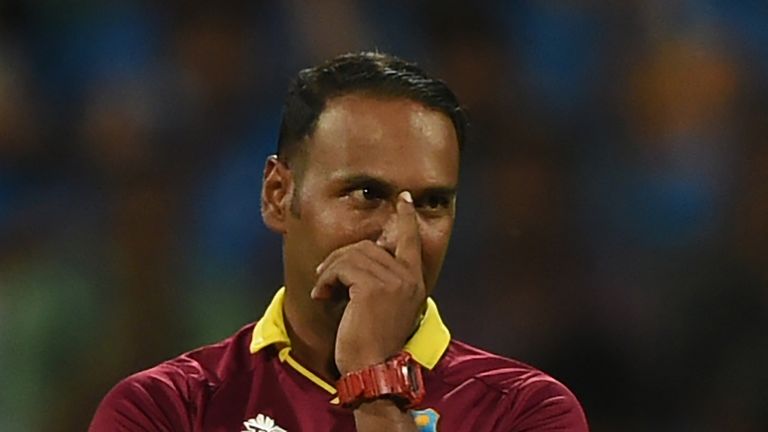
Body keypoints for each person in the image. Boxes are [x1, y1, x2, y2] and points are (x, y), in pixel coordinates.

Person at [90, 51, 589, 432]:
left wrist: (374, 380)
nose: (400, 237)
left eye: (433, 203)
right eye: (367, 194)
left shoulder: (525, 411)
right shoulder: (168, 409)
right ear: (278, 196)